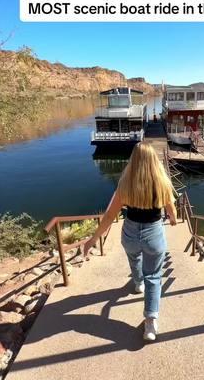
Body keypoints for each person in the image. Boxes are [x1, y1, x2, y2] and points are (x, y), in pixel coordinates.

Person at [83, 142, 177, 341]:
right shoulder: (162, 182)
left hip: (130, 234)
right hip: (154, 235)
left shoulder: (124, 184)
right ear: (154, 161)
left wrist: (93, 239)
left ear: (133, 161)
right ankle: (150, 322)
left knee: (134, 258)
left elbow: (109, 217)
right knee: (154, 276)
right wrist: (174, 220)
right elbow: (172, 213)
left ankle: (137, 283)